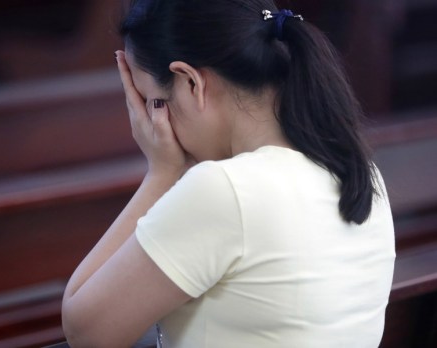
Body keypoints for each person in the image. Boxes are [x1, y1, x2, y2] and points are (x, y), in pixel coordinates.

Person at [61, 0, 396, 347]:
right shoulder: (362, 173)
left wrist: (161, 175)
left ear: (191, 83)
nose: (151, 124)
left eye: (152, 102)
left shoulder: (224, 190)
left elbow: (85, 332)